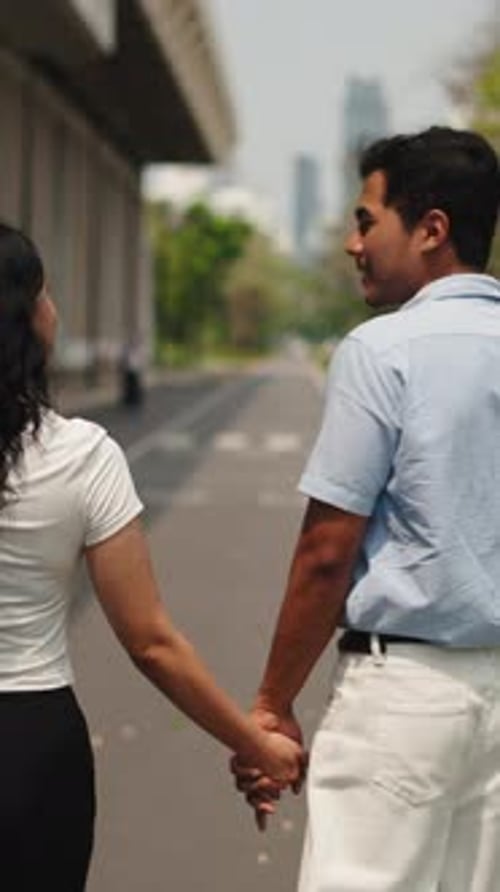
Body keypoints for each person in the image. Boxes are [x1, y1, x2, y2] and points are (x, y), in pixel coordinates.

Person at [232, 126, 500, 891]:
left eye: (366, 220)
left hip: (404, 699)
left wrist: (272, 707)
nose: (353, 243)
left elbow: (327, 552)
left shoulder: (383, 351)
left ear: (431, 230)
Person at [0, 222, 303, 891]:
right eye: (46, 295)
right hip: (26, 744)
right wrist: (256, 747)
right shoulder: (79, 455)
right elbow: (151, 643)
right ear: (25, 319)